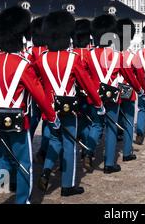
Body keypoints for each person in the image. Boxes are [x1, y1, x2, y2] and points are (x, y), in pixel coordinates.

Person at [0, 6, 60, 205]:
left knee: (5, 156)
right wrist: (52, 117)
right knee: (24, 163)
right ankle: (22, 201)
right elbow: (39, 96)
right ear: (21, 36)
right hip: (19, 120)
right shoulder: (23, 64)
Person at [35, 11, 104, 197]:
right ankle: (68, 185)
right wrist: (98, 103)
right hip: (69, 107)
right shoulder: (72, 58)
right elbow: (87, 84)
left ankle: (46, 171)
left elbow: (37, 84)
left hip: (50, 108)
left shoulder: (41, 59)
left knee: (55, 140)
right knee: (70, 144)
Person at [82, 14, 144, 174]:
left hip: (95, 96)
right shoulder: (117, 56)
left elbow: (84, 76)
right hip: (113, 96)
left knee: (96, 125)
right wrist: (139, 89)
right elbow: (130, 76)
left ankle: (88, 151)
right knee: (111, 128)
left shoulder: (88, 55)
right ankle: (109, 163)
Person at [116, 18, 145, 162]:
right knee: (128, 120)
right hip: (128, 89)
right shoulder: (132, 56)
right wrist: (142, 90)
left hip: (113, 89)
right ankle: (127, 151)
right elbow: (140, 76)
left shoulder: (110, 55)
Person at [27, 16, 50, 164]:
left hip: (32, 94)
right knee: (48, 123)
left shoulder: (29, 51)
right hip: (47, 93)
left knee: (31, 123)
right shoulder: (49, 52)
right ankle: (44, 152)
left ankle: (26, 150)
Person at [73, 19, 95, 150]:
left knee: (79, 118)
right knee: (87, 120)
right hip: (87, 93)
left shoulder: (71, 54)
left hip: (73, 93)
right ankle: (86, 148)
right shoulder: (90, 54)